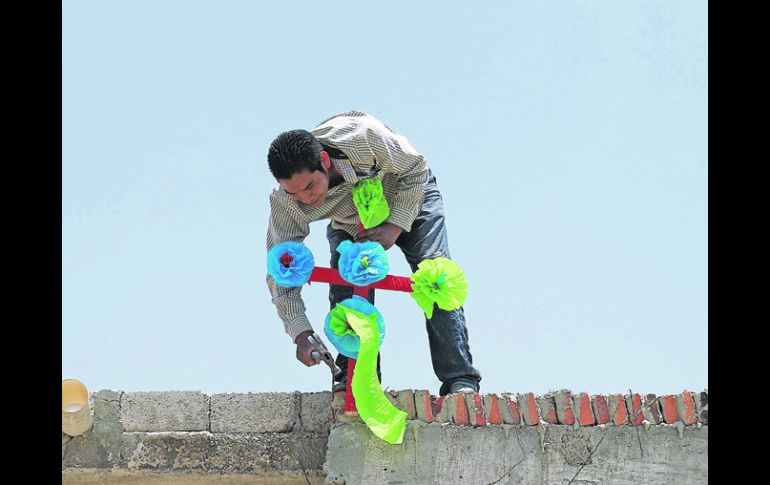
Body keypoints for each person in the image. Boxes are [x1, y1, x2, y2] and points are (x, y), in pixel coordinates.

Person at [265, 110, 481, 396]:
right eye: (295, 194)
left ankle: (460, 380)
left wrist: (395, 226)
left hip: (408, 196)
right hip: (350, 220)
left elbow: (416, 169)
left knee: (435, 277)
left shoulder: (363, 136)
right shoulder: (284, 202)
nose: (307, 199)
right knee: (346, 287)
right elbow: (280, 270)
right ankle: (358, 381)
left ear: (325, 161)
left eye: (311, 186)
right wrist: (300, 333)